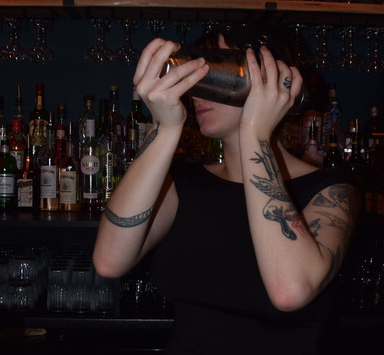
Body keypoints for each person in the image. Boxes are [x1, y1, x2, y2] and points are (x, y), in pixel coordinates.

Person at [93, 22, 361, 354]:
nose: (198, 91)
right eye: (195, 75)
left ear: (276, 81)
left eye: (218, 72)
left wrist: (255, 131)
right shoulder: (184, 183)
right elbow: (109, 261)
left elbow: (289, 291)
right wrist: (164, 128)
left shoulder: (332, 191)